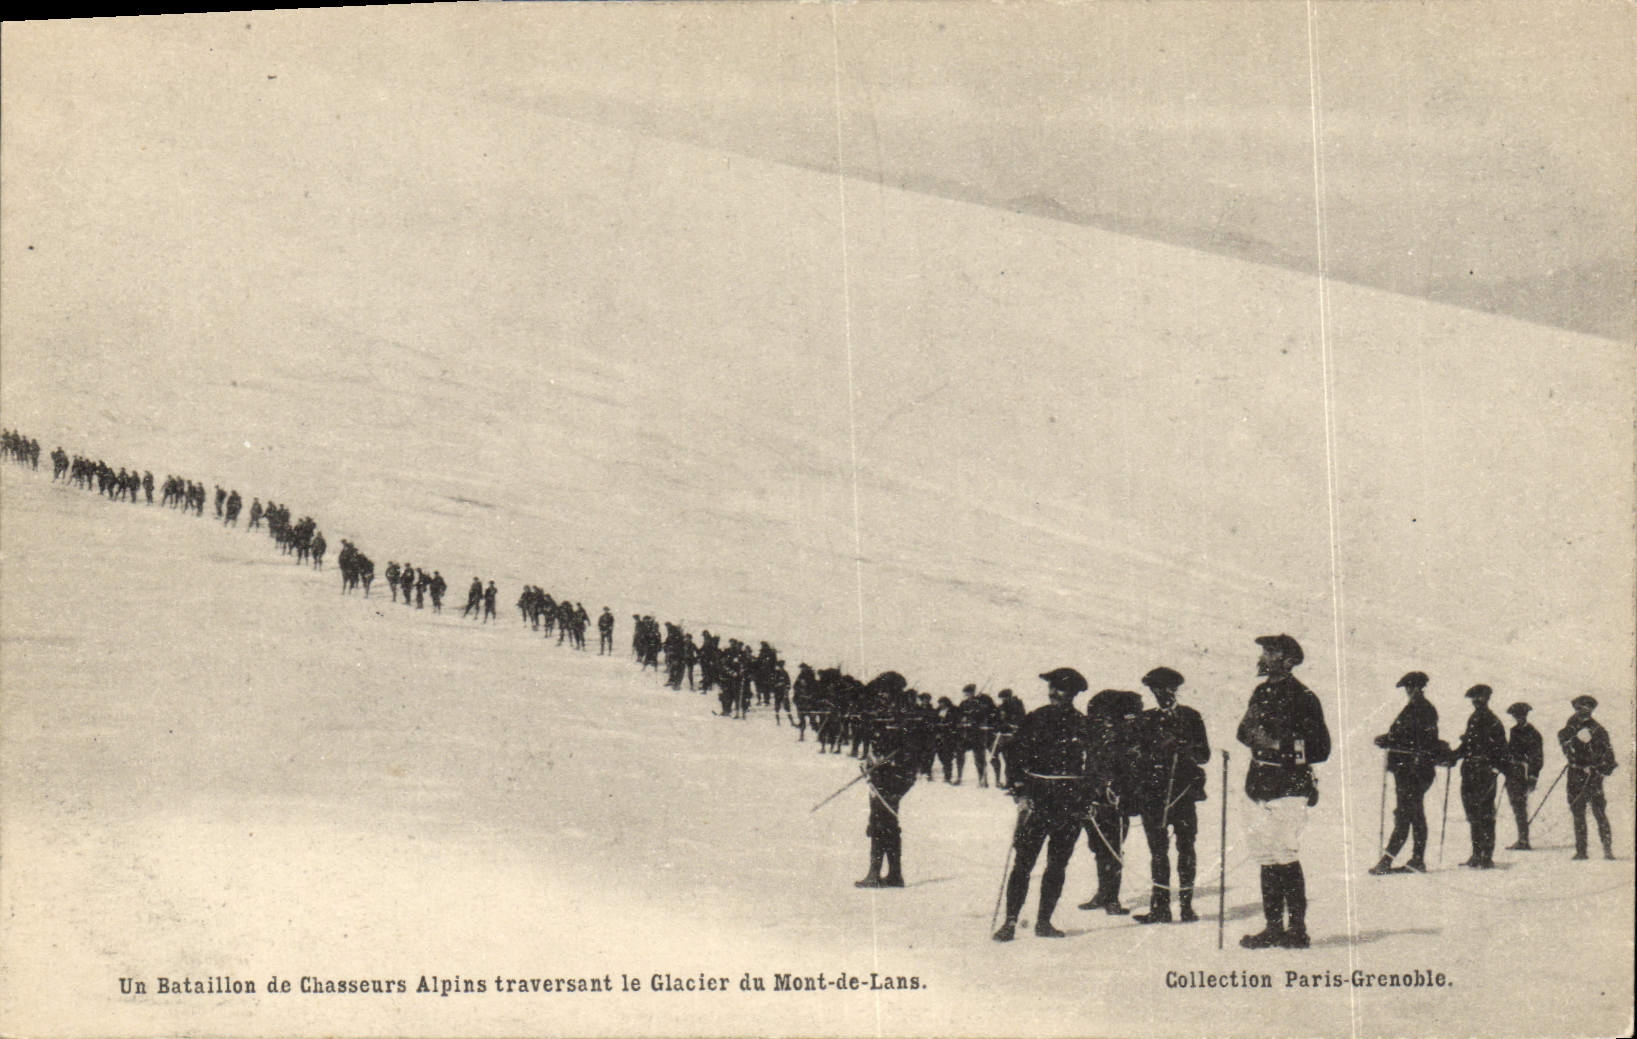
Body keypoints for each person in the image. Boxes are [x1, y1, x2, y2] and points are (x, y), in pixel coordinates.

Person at [1237, 634, 1329, 950]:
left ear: (1288, 661)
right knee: (1265, 855)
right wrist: (1251, 734)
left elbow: (1321, 748)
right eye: (1264, 651)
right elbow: (1243, 731)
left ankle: (1298, 929)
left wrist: (1277, 746)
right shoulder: (1260, 692)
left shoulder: (1304, 697)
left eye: (1270, 652)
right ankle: (1273, 927)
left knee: (1284, 854)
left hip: (1289, 785)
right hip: (1258, 783)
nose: (1263, 657)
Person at [993, 668, 1090, 942]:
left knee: (1057, 865)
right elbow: (1013, 755)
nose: (1053, 693)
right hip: (1037, 800)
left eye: (1060, 689)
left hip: (1068, 803)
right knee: (1023, 863)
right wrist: (1020, 792)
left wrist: (1086, 797)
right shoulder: (1035, 719)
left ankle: (1044, 922)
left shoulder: (1083, 724)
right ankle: (1010, 922)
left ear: (1073, 694)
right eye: (1052, 688)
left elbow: (1092, 765)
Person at [1132, 667, 1210, 924]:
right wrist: (1155, 752)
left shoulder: (1191, 717)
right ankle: (1161, 908)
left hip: (1183, 793)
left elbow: (1204, 756)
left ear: (1175, 690)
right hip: (1153, 795)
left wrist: (1185, 747)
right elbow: (1135, 755)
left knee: (1186, 847)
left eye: (1165, 689)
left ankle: (1187, 907)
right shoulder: (1144, 720)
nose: (1160, 694)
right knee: (1158, 851)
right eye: (1155, 690)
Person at [1368, 671, 1443, 874]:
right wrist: (1388, 739)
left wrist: (1391, 741)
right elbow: (1402, 735)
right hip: (1407, 770)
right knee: (1414, 813)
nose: (1409, 691)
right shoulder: (1413, 708)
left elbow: (1422, 740)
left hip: (1415, 771)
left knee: (1406, 814)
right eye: (1407, 687)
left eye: (1412, 687)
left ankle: (1387, 859)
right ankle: (1416, 860)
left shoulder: (1424, 710)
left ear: (1420, 687)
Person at [1079, 689, 1144, 915]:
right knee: (1098, 846)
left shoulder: (1128, 736)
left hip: (1116, 798)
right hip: (1093, 795)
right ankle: (1102, 893)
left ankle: (1112, 897)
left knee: (1114, 846)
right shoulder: (1093, 734)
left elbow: (1131, 766)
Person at [855, 673, 919, 889]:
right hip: (881, 773)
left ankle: (875, 874)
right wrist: (870, 759)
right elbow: (877, 741)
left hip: (897, 774)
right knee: (885, 821)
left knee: (881, 819)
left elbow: (914, 747)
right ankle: (894, 874)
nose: (880, 696)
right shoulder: (885, 711)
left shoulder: (905, 714)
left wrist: (893, 759)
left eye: (884, 692)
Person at [1448, 684, 1506, 869]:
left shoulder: (1493, 721)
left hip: (1485, 772)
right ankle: (1476, 854)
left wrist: (1495, 769)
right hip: (1469, 771)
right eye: (1474, 699)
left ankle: (1486, 856)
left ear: (1487, 699)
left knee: (1485, 814)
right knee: (1472, 813)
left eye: (1480, 698)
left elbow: (1502, 749)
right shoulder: (1473, 719)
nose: (1476, 702)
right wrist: (1452, 757)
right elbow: (1466, 746)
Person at [1558, 696, 1616, 861]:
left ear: (1591, 711)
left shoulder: (1598, 730)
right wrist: (1574, 741)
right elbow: (1563, 742)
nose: (1584, 712)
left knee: (1599, 812)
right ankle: (1581, 851)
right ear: (1576, 709)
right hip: (1575, 775)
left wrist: (1599, 770)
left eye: (1587, 710)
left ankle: (1607, 849)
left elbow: (1609, 756)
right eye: (1580, 709)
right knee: (1577, 812)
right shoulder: (1569, 728)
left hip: (1593, 777)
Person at [1502, 702, 1543, 851]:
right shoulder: (1513, 731)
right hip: (1512, 771)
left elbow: (1537, 757)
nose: (1518, 719)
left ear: (1526, 716)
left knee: (1520, 806)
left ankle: (1524, 840)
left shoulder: (1533, 733)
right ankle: (1522, 838)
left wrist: (1533, 777)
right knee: (1516, 805)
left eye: (1521, 716)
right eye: (1516, 716)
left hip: (1523, 772)